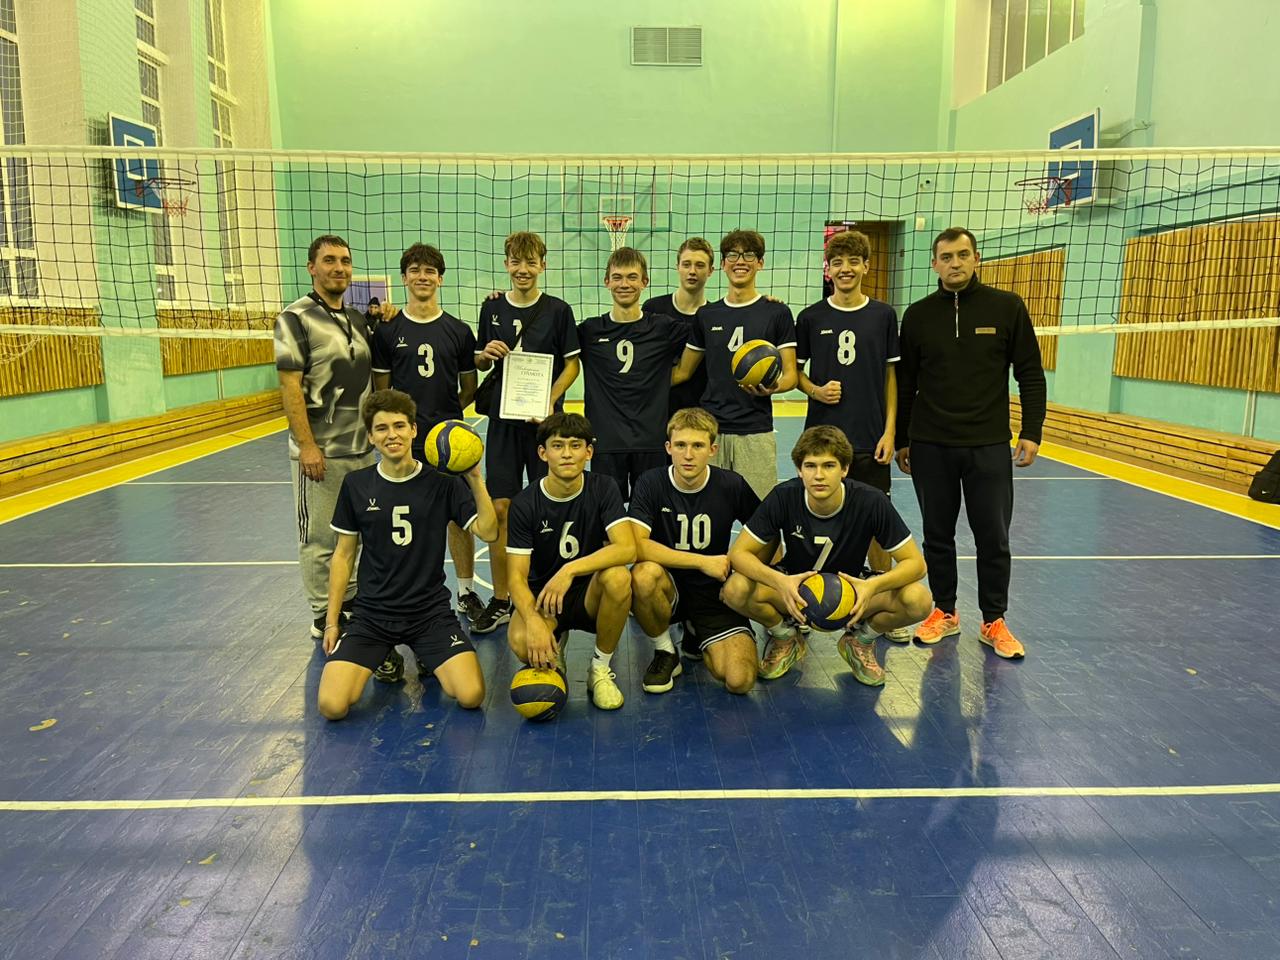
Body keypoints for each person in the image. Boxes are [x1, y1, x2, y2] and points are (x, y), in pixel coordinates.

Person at [895, 226, 1046, 659]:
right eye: (946, 257)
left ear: (976, 258)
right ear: (934, 264)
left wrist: (1032, 430)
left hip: (988, 444)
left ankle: (994, 619)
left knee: (993, 538)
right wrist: (904, 438)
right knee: (937, 535)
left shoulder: (1007, 307)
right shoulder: (918, 316)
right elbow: (905, 384)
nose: (955, 263)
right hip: (931, 444)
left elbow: (1030, 373)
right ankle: (944, 611)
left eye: (963, 255)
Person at [318, 389, 498, 719]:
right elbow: (342, 556)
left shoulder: (442, 483)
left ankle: (426, 652)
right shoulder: (357, 485)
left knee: (471, 695)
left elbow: (488, 531)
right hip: (372, 616)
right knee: (332, 706)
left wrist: (474, 478)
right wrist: (332, 623)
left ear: (414, 430)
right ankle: (385, 653)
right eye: (382, 428)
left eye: (399, 426)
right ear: (370, 437)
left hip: (429, 614)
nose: (392, 435)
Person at [723, 426, 932, 684]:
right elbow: (739, 554)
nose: (819, 475)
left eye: (829, 466)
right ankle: (785, 636)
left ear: (844, 469)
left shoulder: (870, 501)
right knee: (735, 589)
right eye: (810, 466)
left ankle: (860, 640)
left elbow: (916, 564)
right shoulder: (784, 496)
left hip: (853, 590)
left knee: (918, 600)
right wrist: (781, 582)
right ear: (799, 470)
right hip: (795, 591)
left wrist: (872, 586)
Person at [795, 228, 913, 642]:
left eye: (853, 262)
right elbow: (795, 372)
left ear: (866, 266)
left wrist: (891, 431)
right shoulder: (810, 317)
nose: (845, 269)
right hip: (822, 438)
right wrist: (815, 390)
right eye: (837, 262)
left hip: (869, 437)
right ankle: (806, 602)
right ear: (827, 269)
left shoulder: (883, 315)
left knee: (878, 519)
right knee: (811, 517)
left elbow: (891, 376)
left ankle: (880, 603)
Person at [471, 231, 581, 634]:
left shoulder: (558, 310)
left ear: (542, 266)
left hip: (544, 424)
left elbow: (572, 365)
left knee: (548, 506)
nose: (523, 270)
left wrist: (549, 400)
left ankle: (546, 590)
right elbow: (480, 362)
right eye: (516, 262)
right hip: (503, 423)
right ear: (506, 264)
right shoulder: (492, 308)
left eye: (531, 262)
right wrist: (485, 355)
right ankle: (502, 599)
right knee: (501, 508)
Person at [372, 243, 486, 626]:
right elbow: (382, 393)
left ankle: (466, 592)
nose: (423, 276)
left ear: (440, 279)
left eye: (430, 271)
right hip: (405, 443)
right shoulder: (388, 330)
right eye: (415, 270)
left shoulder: (459, 331)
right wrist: (401, 429)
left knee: (459, 519)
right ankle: (407, 596)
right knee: (406, 520)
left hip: (449, 441)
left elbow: (468, 388)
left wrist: (445, 421)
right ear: (404, 278)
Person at [273, 234, 375, 643]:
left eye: (345, 261)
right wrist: (307, 445)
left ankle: (348, 601)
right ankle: (321, 612)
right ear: (312, 267)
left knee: (358, 534)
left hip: (362, 450)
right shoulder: (294, 317)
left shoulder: (357, 318)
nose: (339, 268)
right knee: (319, 537)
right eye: (329, 260)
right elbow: (290, 386)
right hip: (322, 452)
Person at [505, 413, 636, 711]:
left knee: (618, 577)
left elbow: (627, 549)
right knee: (523, 642)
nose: (567, 454)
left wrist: (570, 569)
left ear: (588, 452)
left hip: (589, 593)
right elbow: (515, 578)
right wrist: (534, 621)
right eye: (558, 446)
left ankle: (599, 669)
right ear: (543, 453)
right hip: (544, 597)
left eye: (575, 445)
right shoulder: (525, 503)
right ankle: (555, 644)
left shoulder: (604, 487)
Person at [629, 408, 762, 694]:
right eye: (680, 445)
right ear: (668, 448)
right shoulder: (650, 482)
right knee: (643, 574)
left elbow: (765, 535)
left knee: (739, 681)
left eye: (698, 446)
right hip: (668, 586)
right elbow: (637, 545)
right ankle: (665, 651)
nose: (688, 455)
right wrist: (701, 561)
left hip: (713, 591)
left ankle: (695, 632)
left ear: (713, 449)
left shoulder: (731, 484)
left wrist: (749, 570)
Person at [672, 229, 797, 500]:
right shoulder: (707, 315)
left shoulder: (777, 312)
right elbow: (683, 371)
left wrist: (773, 387)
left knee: (763, 513)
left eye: (749, 255)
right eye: (732, 255)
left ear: (760, 263)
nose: (740, 261)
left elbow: (791, 376)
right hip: (710, 430)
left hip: (755, 430)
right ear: (723, 264)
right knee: (706, 510)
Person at [577, 246, 689, 503]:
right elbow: (550, 339)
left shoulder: (663, 328)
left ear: (644, 282)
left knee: (651, 516)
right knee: (608, 516)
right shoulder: (589, 331)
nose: (624, 284)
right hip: (606, 443)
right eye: (617, 277)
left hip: (651, 442)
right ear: (606, 281)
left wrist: (763, 304)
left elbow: (710, 329)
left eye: (632, 277)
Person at [643, 237, 714, 418]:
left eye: (700, 265)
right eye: (686, 264)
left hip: (701, 413)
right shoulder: (653, 309)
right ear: (678, 267)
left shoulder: (715, 316)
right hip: (659, 411)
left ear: (711, 271)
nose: (692, 271)